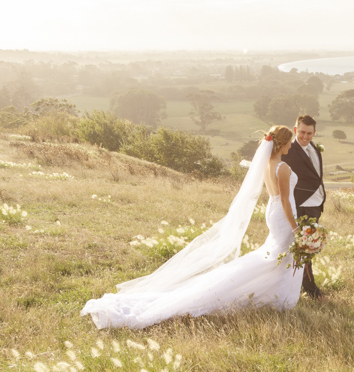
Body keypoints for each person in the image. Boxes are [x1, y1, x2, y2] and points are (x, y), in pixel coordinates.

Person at [80, 125, 304, 330]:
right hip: (283, 215)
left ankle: (273, 295)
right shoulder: (282, 168)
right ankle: (275, 297)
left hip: (273, 213)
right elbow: (285, 200)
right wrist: (296, 228)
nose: (292, 145)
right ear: (282, 144)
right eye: (290, 142)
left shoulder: (267, 165)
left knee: (276, 255)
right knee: (277, 255)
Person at [281, 114, 325, 297]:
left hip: (316, 204)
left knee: (306, 248)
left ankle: (295, 284)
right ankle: (311, 290)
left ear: (314, 133)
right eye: (301, 133)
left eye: (309, 133)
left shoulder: (314, 147)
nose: (305, 137)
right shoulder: (288, 151)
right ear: (294, 130)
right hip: (301, 206)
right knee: (306, 248)